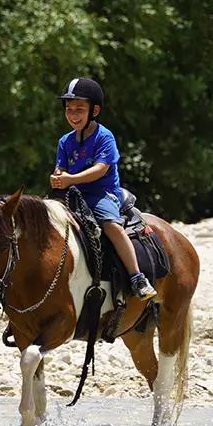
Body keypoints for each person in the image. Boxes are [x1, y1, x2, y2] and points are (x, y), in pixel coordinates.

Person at [49, 77, 157, 300]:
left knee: (111, 226)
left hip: (101, 194)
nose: (73, 115)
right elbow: (60, 166)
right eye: (69, 109)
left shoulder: (104, 137)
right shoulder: (65, 141)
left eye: (80, 109)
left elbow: (100, 169)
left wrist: (70, 179)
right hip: (71, 193)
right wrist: (58, 176)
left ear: (94, 110)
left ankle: (137, 277)